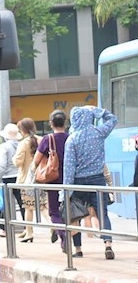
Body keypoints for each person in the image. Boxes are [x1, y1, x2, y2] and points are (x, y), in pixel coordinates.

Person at [63, 105, 118, 260]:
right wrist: (97, 110)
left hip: (78, 182)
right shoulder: (98, 132)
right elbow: (113, 119)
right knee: (103, 213)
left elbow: (69, 168)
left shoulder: (72, 139)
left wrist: (65, 191)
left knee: (75, 216)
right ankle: (108, 244)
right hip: (97, 179)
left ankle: (78, 249)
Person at [32, 110, 82, 256]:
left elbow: (36, 160)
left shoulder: (48, 139)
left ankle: (63, 234)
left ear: (50, 123)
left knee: (54, 212)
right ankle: (78, 247)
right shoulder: (72, 137)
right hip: (71, 179)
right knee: (73, 213)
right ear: (65, 123)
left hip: (53, 179)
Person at [12, 117, 48, 242]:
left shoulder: (23, 143)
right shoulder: (41, 139)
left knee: (28, 207)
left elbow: (18, 162)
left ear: (22, 130)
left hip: (26, 180)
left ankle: (30, 232)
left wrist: (13, 159)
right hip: (40, 178)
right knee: (42, 205)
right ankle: (51, 227)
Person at [0, 123, 22, 236]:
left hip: (7, 177)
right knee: (22, 202)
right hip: (19, 176)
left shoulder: (4, 147)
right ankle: (27, 227)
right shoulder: (21, 145)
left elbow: (2, 165)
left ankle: (3, 228)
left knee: (5, 203)